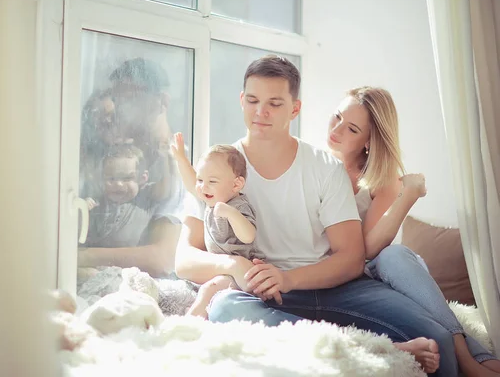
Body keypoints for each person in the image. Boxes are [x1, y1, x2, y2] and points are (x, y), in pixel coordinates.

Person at [175, 55, 458, 376]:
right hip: (261, 294)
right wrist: (233, 266)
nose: (260, 112)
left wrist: (289, 278)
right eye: (252, 100)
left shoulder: (326, 167)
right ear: (242, 100)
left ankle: (361, 342)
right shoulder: (215, 167)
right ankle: (369, 346)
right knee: (226, 307)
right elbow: (183, 260)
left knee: (439, 340)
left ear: (295, 109)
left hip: (335, 288)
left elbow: (352, 259)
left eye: (274, 103)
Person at [327, 86, 500, 377]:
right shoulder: (316, 167)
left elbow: (367, 252)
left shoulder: (380, 180)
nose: (337, 129)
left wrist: (406, 195)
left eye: (352, 128)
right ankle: (475, 356)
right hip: (343, 276)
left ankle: (468, 360)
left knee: (393, 256)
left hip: (384, 272)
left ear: (369, 141)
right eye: (337, 117)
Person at [77, 58, 183, 277]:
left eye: (130, 98)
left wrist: (79, 256)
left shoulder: (175, 169)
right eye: (118, 98)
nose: (119, 108)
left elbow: (162, 259)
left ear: (161, 102)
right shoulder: (114, 156)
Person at [170, 132, 262, 317]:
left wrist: (231, 214)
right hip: (221, 267)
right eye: (201, 180)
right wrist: (181, 159)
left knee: (208, 291)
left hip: (238, 274)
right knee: (193, 287)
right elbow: (190, 183)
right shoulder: (211, 199)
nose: (203, 187)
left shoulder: (237, 205)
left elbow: (248, 235)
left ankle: (189, 324)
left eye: (212, 181)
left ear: (236, 185)